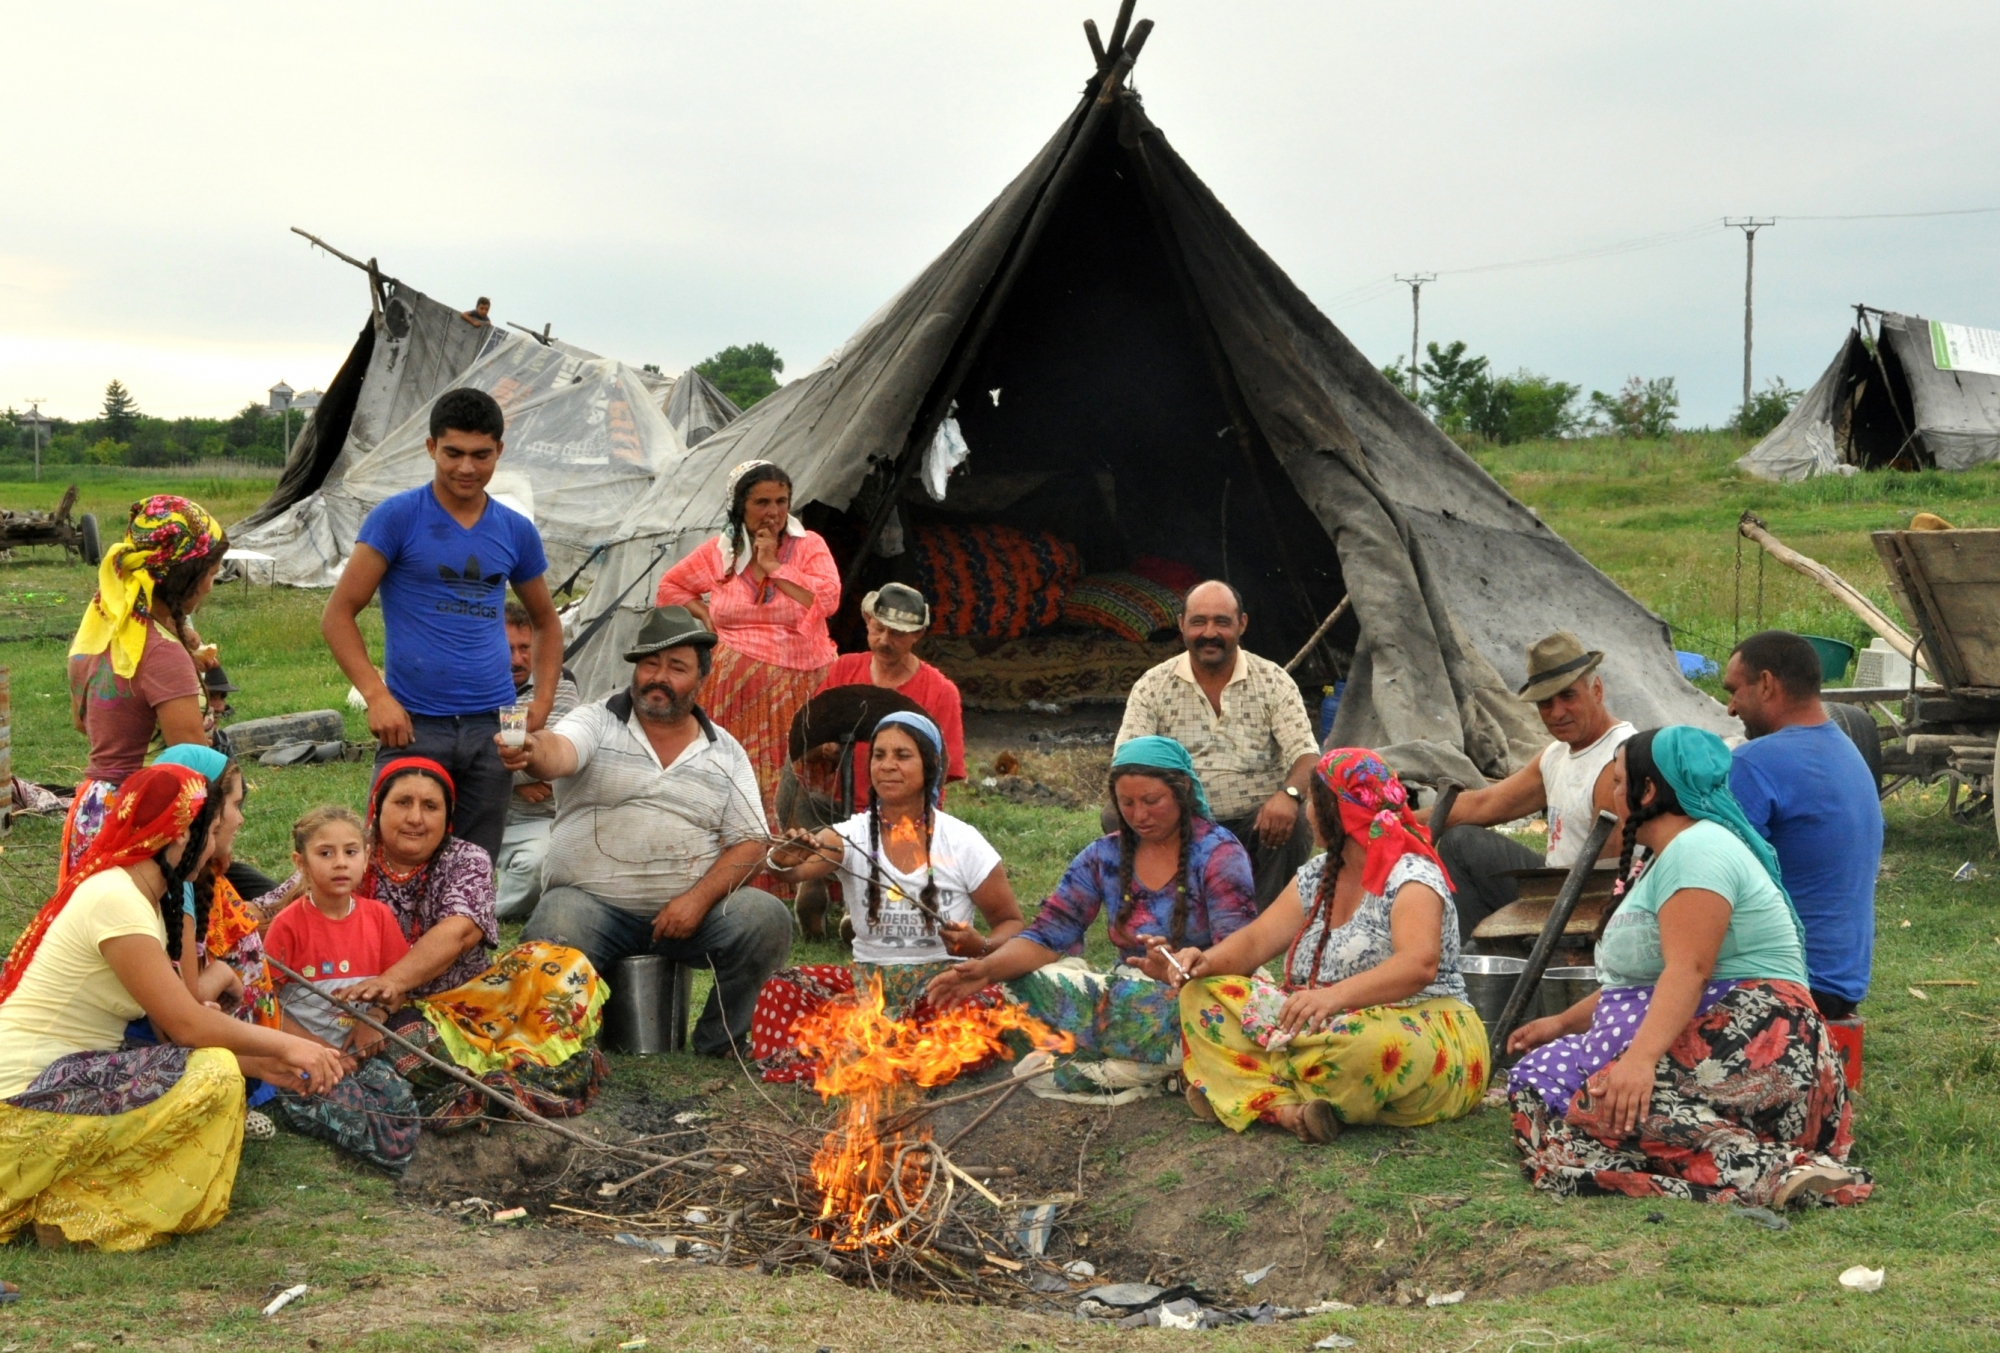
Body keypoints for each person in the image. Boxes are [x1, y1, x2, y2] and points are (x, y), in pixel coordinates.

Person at [1505, 727, 1872, 1209]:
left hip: (1761, 1040)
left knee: (1605, 1108)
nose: (1613, 793)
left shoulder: (1699, 850)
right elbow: (1643, 983)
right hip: (1702, 1036)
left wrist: (1638, 1062)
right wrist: (1560, 1024)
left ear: (1648, 790)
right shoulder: (1664, 857)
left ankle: (1778, 1170)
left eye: (1619, 781)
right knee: (1538, 1080)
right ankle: (1671, 1150)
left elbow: (1689, 971)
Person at [0, 765, 347, 1251]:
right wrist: (293, 1046)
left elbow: (173, 1032)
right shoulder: (115, 900)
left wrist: (267, 1063)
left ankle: (67, 1206)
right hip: (19, 1105)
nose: (231, 830)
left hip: (52, 1085)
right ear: (182, 835)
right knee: (216, 1077)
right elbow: (185, 1024)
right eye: (214, 827)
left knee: (222, 1070)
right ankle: (82, 1214)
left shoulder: (134, 896)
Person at [262, 759, 608, 1131]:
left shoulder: (466, 859)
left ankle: (508, 1069)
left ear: (448, 817)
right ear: (377, 809)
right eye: (402, 803)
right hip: (389, 1015)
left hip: (462, 1001)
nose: (415, 817)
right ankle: (494, 1083)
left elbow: (460, 932)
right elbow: (274, 907)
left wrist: (391, 984)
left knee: (559, 962)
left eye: (430, 806)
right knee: (405, 1045)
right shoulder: (346, 856)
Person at [509, 606, 792, 1058]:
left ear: (701, 679)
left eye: (675, 667)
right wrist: (532, 748)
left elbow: (752, 842)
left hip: (689, 917)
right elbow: (558, 751)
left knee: (765, 918)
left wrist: (696, 901)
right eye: (649, 664)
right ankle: (553, 1048)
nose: (658, 677)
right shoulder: (597, 720)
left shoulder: (726, 751)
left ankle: (721, 1045)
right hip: (590, 904)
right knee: (557, 926)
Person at [1166, 748, 1488, 1143]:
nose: (1307, 815)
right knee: (1200, 996)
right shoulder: (1318, 874)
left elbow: (1418, 965)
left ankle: (1245, 1091)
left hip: (1413, 1028)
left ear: (1340, 812)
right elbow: (1253, 942)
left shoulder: (1412, 876)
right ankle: (1290, 1109)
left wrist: (1332, 998)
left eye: (1314, 804)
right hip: (1317, 1027)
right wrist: (1201, 961)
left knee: (1363, 1047)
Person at [926, 737, 1257, 1093]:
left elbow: (1240, 954)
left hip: (1200, 993)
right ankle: (1161, 1066)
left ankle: (1109, 1062)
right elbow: (1047, 935)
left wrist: (1185, 968)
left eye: (1152, 801)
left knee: (1211, 1018)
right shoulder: (1103, 855)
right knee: (1012, 986)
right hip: (1124, 995)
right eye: (1126, 803)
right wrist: (985, 968)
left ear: (1183, 791)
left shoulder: (1219, 854)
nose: (1139, 816)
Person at [322, 386, 564, 863]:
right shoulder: (397, 518)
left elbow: (546, 621)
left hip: (492, 727)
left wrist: (542, 700)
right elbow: (338, 614)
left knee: (474, 865)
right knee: (395, 855)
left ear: (500, 451)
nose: (466, 468)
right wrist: (377, 696)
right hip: (413, 723)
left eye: (481, 455)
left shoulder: (514, 530)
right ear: (431, 447)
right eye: (453, 453)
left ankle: (463, 942)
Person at [753, 713, 1024, 1080]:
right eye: (879, 756)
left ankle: (862, 1060)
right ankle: (883, 1058)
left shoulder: (962, 841)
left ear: (929, 766)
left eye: (902, 755)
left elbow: (1011, 924)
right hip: (867, 993)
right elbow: (793, 870)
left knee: (975, 1013)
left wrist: (981, 945)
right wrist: (781, 858)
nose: (887, 766)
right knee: (781, 989)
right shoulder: (852, 836)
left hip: (939, 993)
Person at [654, 460, 840, 828]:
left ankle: (791, 877)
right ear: (740, 506)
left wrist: (774, 566)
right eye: (762, 503)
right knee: (738, 784)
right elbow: (669, 588)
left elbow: (828, 600)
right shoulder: (720, 553)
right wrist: (704, 615)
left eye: (781, 502)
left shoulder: (809, 547)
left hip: (798, 690)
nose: (773, 512)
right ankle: (737, 873)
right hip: (733, 697)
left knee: (792, 786)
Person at [1115, 580, 1319, 910]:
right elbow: (1126, 761)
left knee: (1295, 818)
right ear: (1182, 625)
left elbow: (1308, 756)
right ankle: (1160, 908)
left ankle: (1262, 922)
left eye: (1221, 622)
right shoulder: (1153, 685)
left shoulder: (1273, 680)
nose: (1209, 632)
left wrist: (1289, 795)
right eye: (1199, 622)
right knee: (1117, 814)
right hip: (1181, 822)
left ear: (1242, 624)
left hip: (1260, 825)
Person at [780, 581, 966, 936]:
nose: (884, 641)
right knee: (796, 789)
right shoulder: (844, 670)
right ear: (867, 622)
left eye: (897, 634)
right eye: (879, 629)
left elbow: (945, 772)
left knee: (888, 837)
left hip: (897, 813)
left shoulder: (940, 692)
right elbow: (808, 738)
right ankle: (815, 881)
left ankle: (861, 904)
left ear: (918, 635)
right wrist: (824, 748)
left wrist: (921, 824)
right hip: (836, 805)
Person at [1429, 631, 1635, 944]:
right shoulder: (1556, 754)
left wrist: (1542, 927)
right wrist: (1386, 823)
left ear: (1596, 689)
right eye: (1545, 703)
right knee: (1461, 843)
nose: (1557, 713)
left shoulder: (1618, 759)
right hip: (1556, 885)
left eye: (1568, 696)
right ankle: (1473, 960)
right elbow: (1482, 805)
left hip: (1593, 904)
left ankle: (1497, 956)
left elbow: (1604, 880)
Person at [64, 495, 228, 882]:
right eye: (211, 573)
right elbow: (191, 764)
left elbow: (83, 723)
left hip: (94, 808)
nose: (210, 586)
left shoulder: (99, 635)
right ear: (185, 576)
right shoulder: (162, 654)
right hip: (141, 817)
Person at [1724, 631, 1882, 1020]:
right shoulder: (1845, 751)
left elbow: (1713, 880)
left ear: (1765, 684)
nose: (1730, 708)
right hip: (1843, 982)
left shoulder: (1756, 762)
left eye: (1734, 691)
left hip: (1789, 983)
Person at [262, 805, 423, 1171]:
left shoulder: (378, 917)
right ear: (300, 863)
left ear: (366, 857)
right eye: (325, 853)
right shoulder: (288, 927)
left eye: (351, 852)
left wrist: (376, 1018)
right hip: (305, 1059)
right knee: (351, 1115)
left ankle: (398, 1152)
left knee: (399, 1102)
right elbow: (266, 1006)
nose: (340, 863)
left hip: (358, 1052)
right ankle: (387, 1160)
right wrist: (318, 1051)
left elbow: (395, 988)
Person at [495, 600, 581, 921]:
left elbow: (559, 752)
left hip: (540, 819)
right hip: (482, 813)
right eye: (507, 649)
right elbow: (464, 759)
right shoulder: (472, 689)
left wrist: (505, 769)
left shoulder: (560, 684)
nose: (517, 659)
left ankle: (486, 915)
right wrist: (518, 783)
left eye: (525, 648)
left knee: (540, 866)